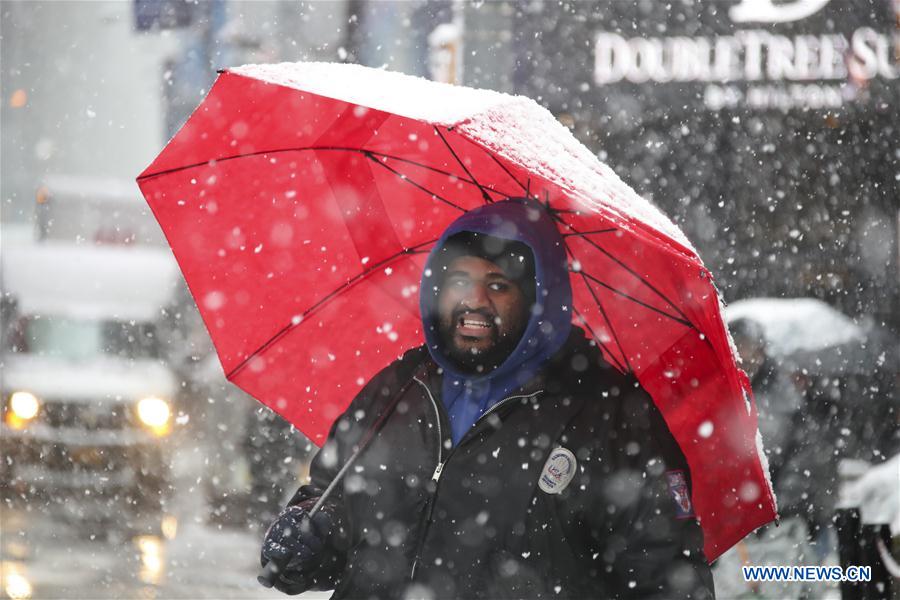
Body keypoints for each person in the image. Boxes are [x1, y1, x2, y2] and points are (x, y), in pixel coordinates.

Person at [260, 198, 714, 599]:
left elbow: (667, 578)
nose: (473, 300)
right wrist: (307, 538)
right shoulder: (400, 386)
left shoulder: (610, 416)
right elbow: (333, 500)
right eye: (459, 280)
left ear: (540, 296)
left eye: (498, 284)